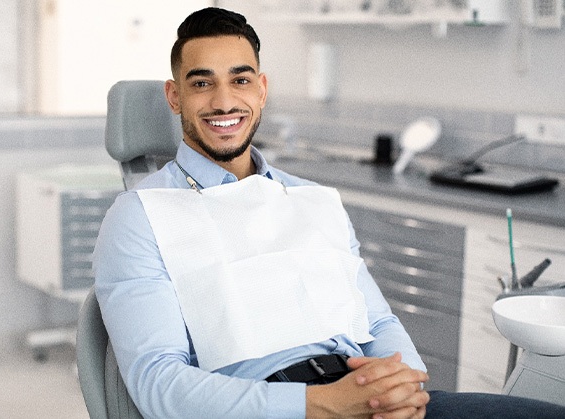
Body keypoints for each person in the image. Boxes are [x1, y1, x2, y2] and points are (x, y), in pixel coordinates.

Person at [93, 7, 565, 419]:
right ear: (175, 97)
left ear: (260, 90)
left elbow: (377, 325)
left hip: (366, 401)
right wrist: (318, 407)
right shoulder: (140, 216)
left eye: (239, 79)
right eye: (202, 84)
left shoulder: (312, 198)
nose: (223, 101)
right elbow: (158, 384)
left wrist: (406, 386)